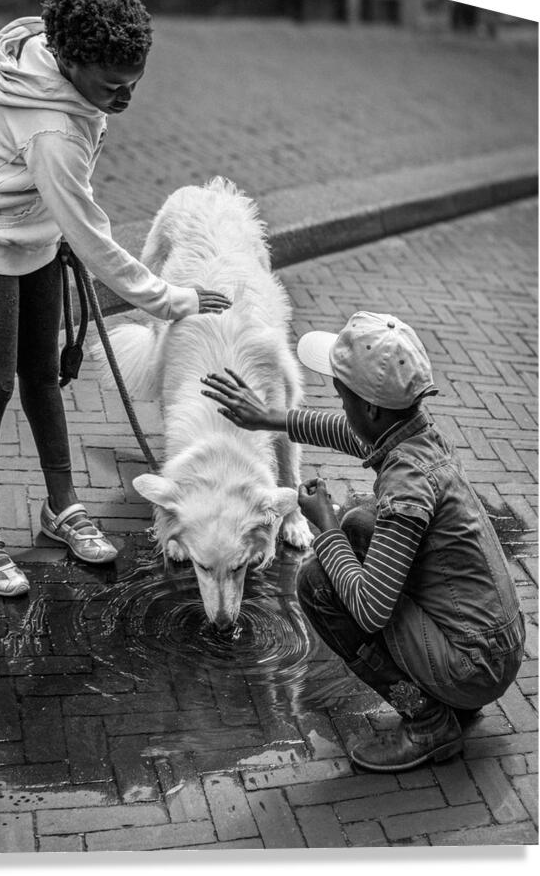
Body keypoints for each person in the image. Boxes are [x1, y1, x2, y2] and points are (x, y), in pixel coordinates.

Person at [0, 0, 231, 598]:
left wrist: (56, 224)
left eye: (135, 81)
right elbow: (97, 239)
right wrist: (170, 300)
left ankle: (61, 504)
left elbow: (71, 204)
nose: (125, 96)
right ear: (70, 62)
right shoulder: (54, 130)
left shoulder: (74, 88)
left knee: (42, 373)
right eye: (113, 84)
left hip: (36, 226)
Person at [200, 311, 525, 772]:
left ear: (371, 408)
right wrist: (266, 417)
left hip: (472, 663)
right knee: (361, 527)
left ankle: (428, 719)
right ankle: (448, 698)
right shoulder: (417, 438)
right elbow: (350, 434)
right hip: (494, 646)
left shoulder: (407, 486)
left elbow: (371, 608)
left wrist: (324, 527)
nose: (340, 403)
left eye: (342, 394)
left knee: (317, 581)